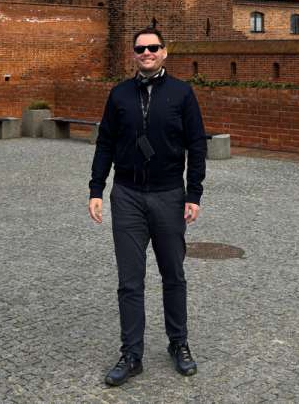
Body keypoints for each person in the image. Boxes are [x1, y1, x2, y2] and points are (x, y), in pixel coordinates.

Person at [88, 27, 207, 387]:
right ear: (134, 54)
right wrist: (96, 188)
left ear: (165, 52)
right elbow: (105, 142)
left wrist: (194, 194)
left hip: (169, 194)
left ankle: (179, 343)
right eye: (140, 49)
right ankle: (132, 354)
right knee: (129, 281)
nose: (147, 53)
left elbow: (197, 145)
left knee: (173, 275)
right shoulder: (120, 94)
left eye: (153, 47)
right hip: (127, 196)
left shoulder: (182, 93)